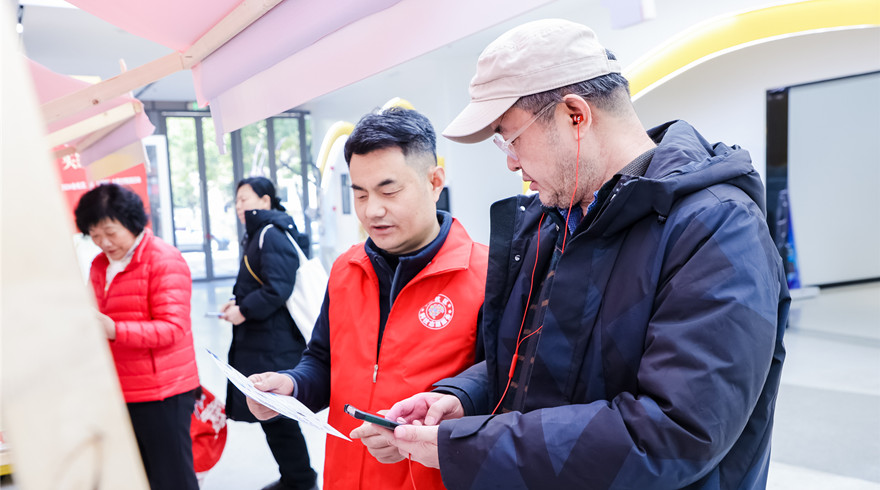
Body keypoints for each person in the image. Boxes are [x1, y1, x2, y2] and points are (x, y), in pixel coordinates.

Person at [379, 19, 790, 489]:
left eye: (510, 137)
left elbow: (674, 434)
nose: (510, 161)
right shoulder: (557, 217)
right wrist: (464, 398)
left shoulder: (717, 228)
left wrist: (473, 445)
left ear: (575, 116)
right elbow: (532, 359)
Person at [245, 107, 489, 490]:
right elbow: (323, 361)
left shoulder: (486, 274)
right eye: (359, 193)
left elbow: (500, 391)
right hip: (344, 474)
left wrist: (427, 429)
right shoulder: (346, 268)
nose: (372, 210)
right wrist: (290, 387)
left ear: (435, 181)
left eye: (389, 190)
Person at [74, 183, 201, 490]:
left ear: (131, 222)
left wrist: (113, 330)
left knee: (172, 479)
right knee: (139, 476)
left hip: (163, 392)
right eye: (94, 233)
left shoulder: (163, 260)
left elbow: (173, 328)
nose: (103, 242)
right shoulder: (99, 264)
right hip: (122, 389)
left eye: (110, 231)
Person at [219, 176, 318, 490]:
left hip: (275, 344)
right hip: (265, 341)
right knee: (273, 419)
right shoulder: (259, 233)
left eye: (245, 199)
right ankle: (294, 477)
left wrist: (244, 310)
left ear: (265, 201)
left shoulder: (270, 234)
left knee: (279, 419)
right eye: (236, 200)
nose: (239, 206)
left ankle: (301, 480)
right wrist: (238, 302)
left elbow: (278, 288)